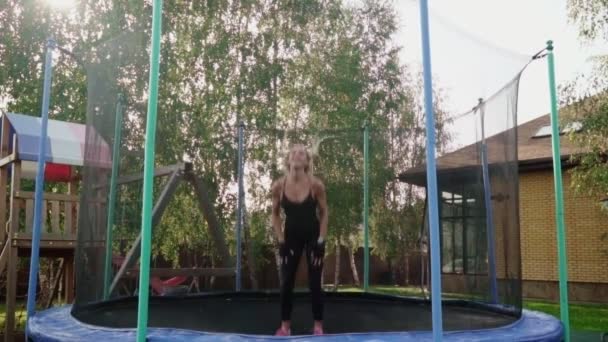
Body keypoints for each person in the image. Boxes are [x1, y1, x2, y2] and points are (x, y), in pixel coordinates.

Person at [271, 144, 328, 336]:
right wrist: (281, 241)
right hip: (291, 236)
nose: (297, 155)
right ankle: (285, 326)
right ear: (288, 160)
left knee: (314, 281)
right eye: (293, 152)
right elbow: (275, 214)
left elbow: (324, 212)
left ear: (306, 161)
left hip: (313, 234)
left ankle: (318, 325)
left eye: (301, 153)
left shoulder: (316, 185)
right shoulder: (279, 186)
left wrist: (321, 241)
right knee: (286, 280)